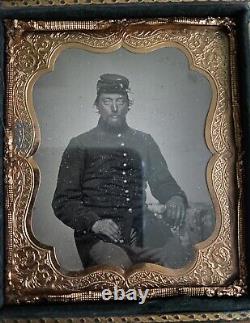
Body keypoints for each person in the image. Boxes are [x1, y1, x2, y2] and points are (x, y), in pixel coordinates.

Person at [52, 74, 187, 269]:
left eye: (120, 101)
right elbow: (63, 200)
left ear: (127, 105)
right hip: (99, 234)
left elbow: (162, 181)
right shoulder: (80, 144)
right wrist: (95, 223)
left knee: (179, 259)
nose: (114, 108)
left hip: (142, 228)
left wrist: (174, 197)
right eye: (107, 101)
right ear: (97, 105)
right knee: (118, 271)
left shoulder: (144, 141)